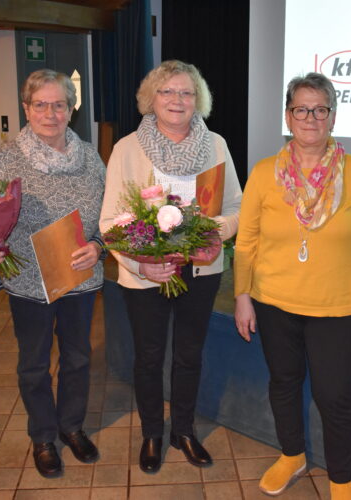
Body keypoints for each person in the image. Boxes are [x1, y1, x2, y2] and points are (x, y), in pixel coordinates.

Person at [234, 72, 351, 499]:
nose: (311, 118)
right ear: (288, 116)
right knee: (283, 383)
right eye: (301, 109)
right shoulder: (265, 173)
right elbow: (246, 242)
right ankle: (292, 455)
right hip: (273, 302)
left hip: (335, 308)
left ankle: (341, 479)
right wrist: (242, 296)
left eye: (320, 109)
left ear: (333, 117)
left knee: (334, 396)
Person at [100, 60, 242, 473]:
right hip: (147, 273)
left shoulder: (216, 145)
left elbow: (236, 207)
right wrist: (141, 266)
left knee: (189, 355)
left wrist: (214, 229)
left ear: (198, 100)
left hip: (200, 270)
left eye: (186, 92)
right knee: (148, 357)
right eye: (167, 91)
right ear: (152, 98)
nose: (177, 100)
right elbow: (109, 222)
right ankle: (152, 433)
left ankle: (183, 430)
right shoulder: (127, 148)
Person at [0, 69, 106, 478]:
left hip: (79, 276)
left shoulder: (91, 157)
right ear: (26, 108)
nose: (50, 114)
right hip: (27, 280)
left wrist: (98, 246)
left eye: (59, 105)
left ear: (71, 109)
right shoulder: (6, 158)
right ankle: (43, 436)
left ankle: (71, 426)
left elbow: (111, 214)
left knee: (77, 358)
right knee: (34, 364)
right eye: (40, 105)